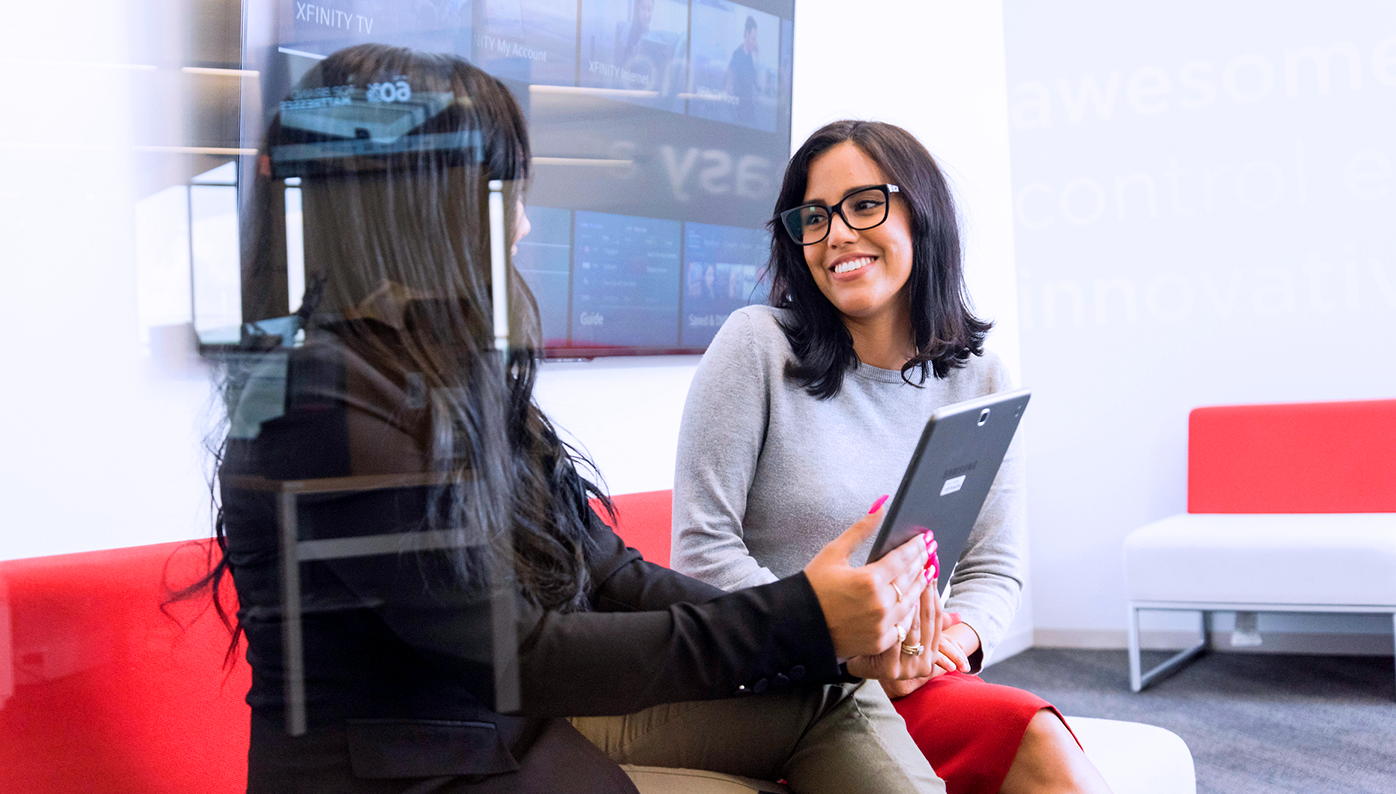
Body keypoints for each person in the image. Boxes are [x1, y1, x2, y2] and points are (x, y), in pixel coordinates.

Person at [202, 46, 953, 794]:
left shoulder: (442, 376)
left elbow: (608, 572)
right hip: (426, 774)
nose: (523, 226)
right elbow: (517, 657)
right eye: (504, 193)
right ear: (418, 201)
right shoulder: (318, 407)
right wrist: (799, 620)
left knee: (832, 695)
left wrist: (819, 631)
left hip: (508, 746)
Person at [671, 120, 1113, 794]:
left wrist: (943, 647)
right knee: (1037, 741)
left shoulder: (979, 375)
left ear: (921, 213)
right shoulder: (755, 345)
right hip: (781, 683)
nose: (837, 234)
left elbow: (993, 566)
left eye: (864, 204)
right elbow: (701, 551)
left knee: (1039, 739)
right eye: (813, 217)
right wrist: (840, 642)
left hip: (911, 678)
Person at [725, 16, 758, 125]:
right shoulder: (737, 55)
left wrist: (757, 57)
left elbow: (755, 82)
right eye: (753, 38)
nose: (755, 42)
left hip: (749, 109)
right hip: (739, 112)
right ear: (747, 34)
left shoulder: (750, 57)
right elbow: (729, 83)